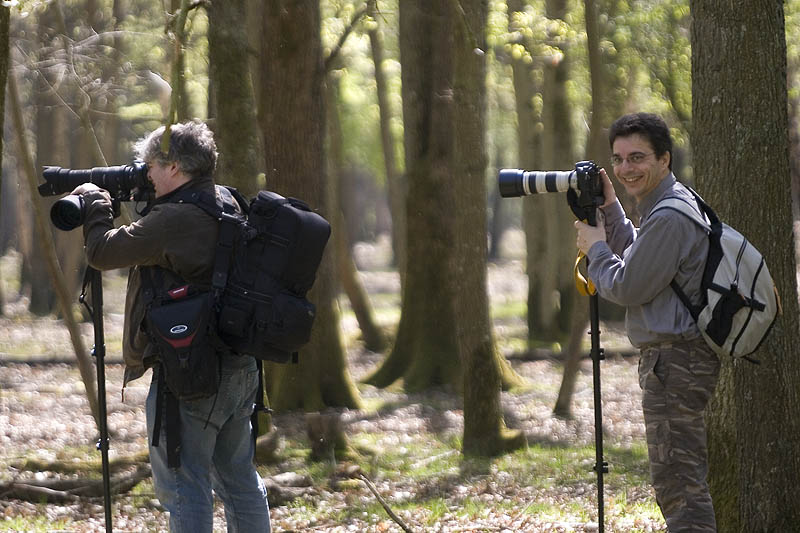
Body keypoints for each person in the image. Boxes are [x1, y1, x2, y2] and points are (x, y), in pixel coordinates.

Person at [72, 121, 271, 533]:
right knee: (239, 480)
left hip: (191, 372)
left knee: (184, 484)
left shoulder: (173, 220)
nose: (146, 173)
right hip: (240, 365)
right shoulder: (228, 201)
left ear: (175, 167)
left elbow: (102, 252)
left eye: (151, 165)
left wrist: (95, 203)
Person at [574, 113, 720, 532]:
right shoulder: (669, 205)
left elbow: (627, 286)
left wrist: (596, 249)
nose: (626, 169)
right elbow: (643, 259)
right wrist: (610, 210)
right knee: (679, 480)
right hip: (676, 360)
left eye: (637, 157)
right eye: (618, 159)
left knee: (680, 486)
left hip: (676, 362)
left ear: (664, 159)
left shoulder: (669, 215)